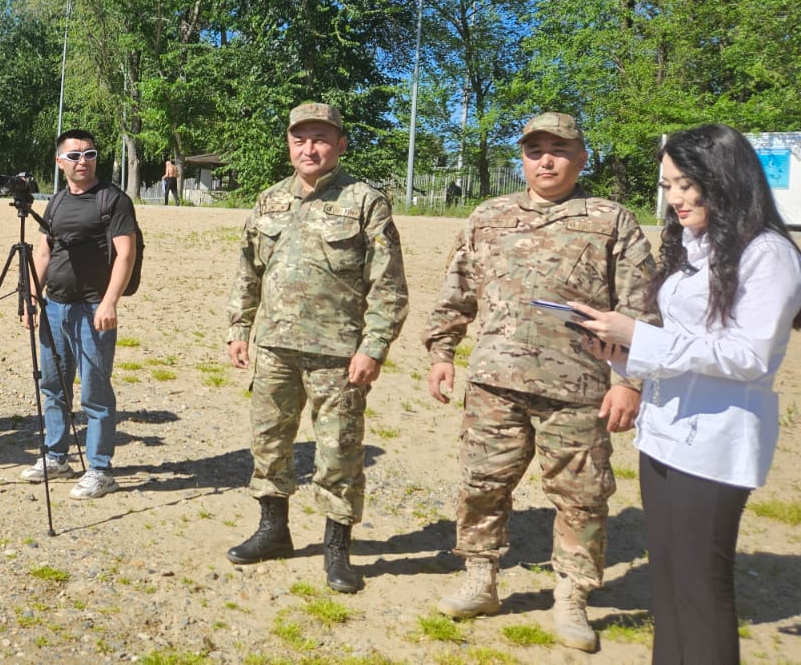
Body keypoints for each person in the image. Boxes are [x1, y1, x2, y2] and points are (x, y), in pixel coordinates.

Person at [423, 112, 657, 652]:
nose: (545, 160)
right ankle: (480, 578)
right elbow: (456, 290)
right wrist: (442, 351)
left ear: (581, 157)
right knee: (482, 485)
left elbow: (643, 309)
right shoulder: (488, 217)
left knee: (580, 497)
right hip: (494, 382)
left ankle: (572, 597)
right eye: (535, 151)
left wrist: (631, 382)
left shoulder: (609, 219)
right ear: (522, 158)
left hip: (577, 390)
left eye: (559, 149)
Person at [572, 124, 801, 665]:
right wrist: (624, 354)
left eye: (684, 184)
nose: (673, 198)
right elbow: (687, 345)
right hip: (666, 433)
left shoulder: (767, 254)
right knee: (669, 584)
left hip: (716, 443)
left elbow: (749, 356)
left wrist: (640, 336)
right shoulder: (698, 248)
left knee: (701, 589)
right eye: (667, 185)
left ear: (723, 179)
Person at [222, 103, 408, 593]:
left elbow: (388, 284)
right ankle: (272, 530)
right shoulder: (268, 202)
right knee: (269, 442)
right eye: (300, 138)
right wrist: (238, 327)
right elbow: (247, 270)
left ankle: (336, 550)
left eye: (321, 138)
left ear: (341, 144)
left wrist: (374, 345)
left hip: (338, 354)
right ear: (288, 144)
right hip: (275, 349)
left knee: (339, 452)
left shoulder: (365, 201)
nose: (309, 148)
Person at [18, 129, 138, 500]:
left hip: (93, 308)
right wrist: (31, 298)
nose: (82, 161)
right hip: (55, 307)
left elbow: (125, 254)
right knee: (52, 385)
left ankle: (100, 468)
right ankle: (57, 456)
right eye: (74, 156)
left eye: (89, 154)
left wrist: (109, 301)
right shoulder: (55, 203)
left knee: (95, 391)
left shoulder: (112, 200)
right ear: (60, 162)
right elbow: (42, 253)